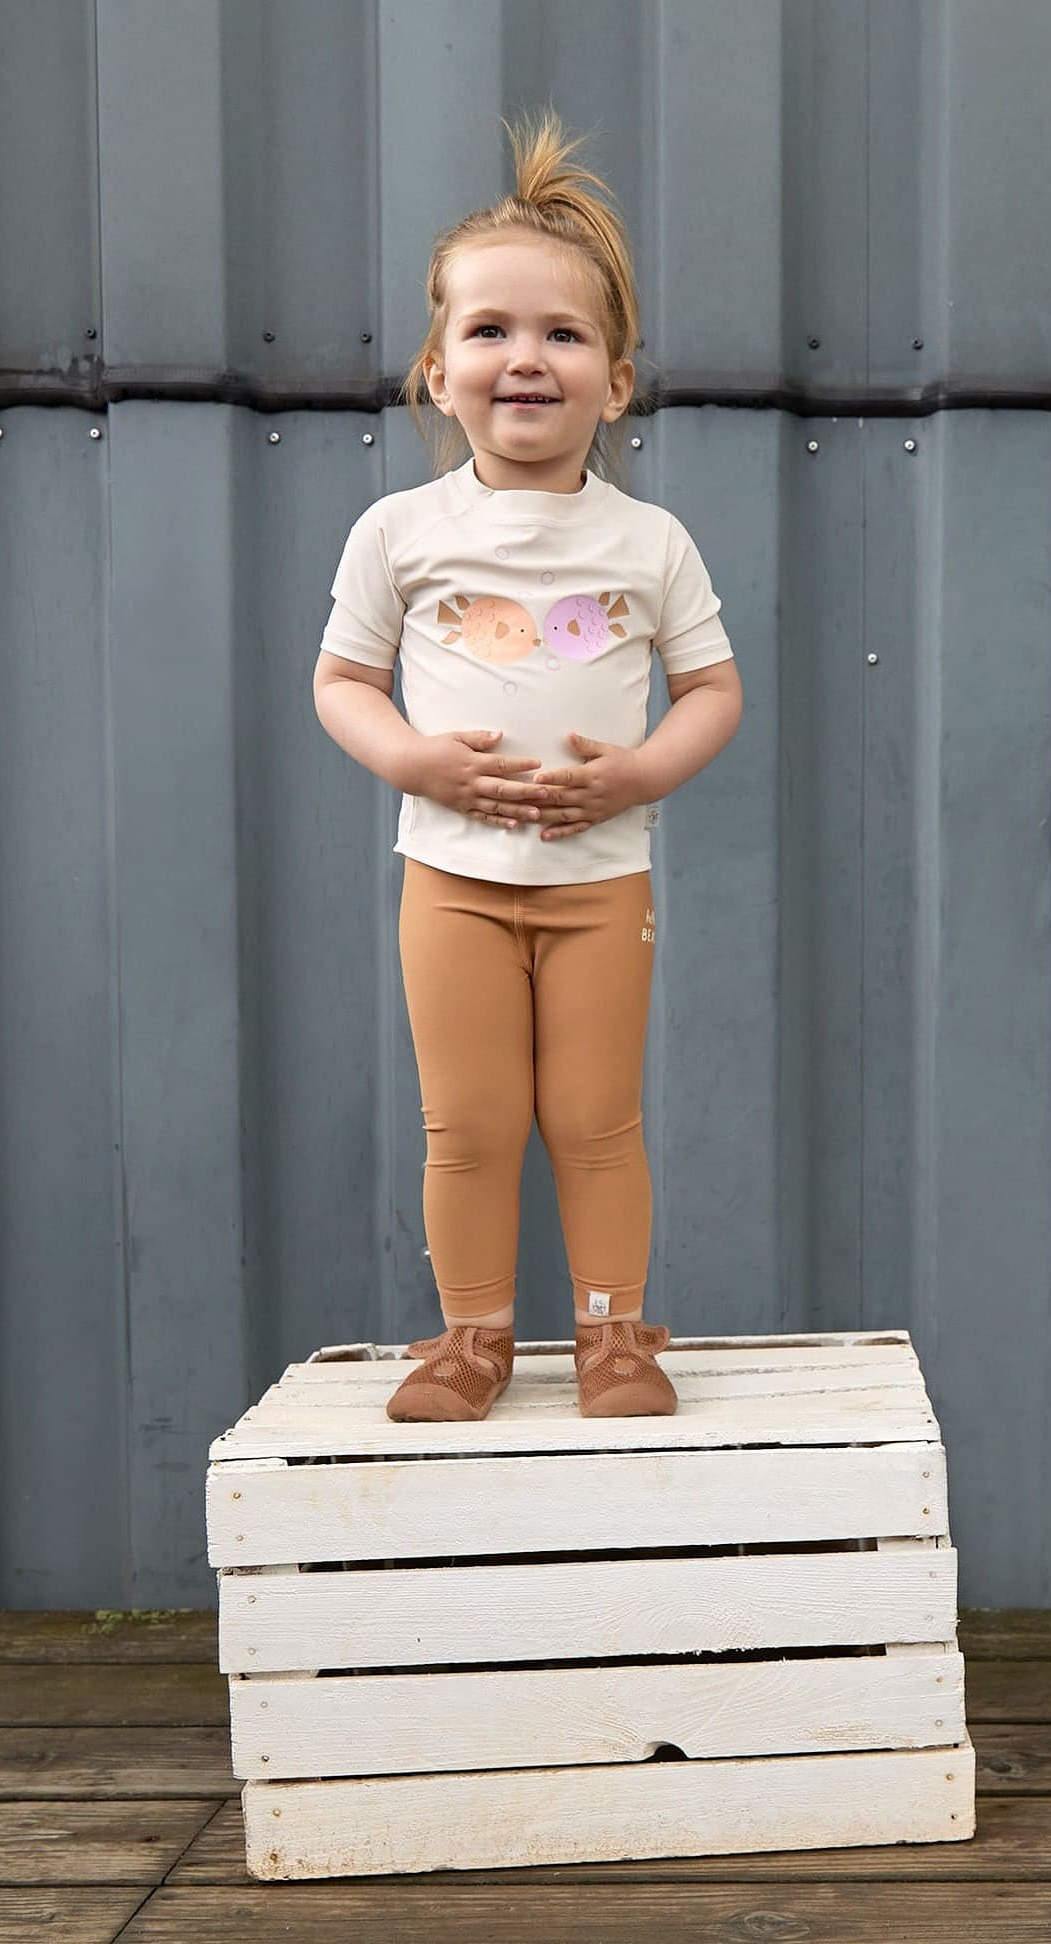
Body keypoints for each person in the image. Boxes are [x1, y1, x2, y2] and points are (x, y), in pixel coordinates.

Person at [310, 112, 741, 1422]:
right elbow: (341, 684)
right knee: (472, 1123)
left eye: (563, 335)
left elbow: (712, 692)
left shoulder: (648, 541)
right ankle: (471, 1341)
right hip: (450, 879)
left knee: (595, 1121)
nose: (525, 357)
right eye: (488, 331)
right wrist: (416, 763)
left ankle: (614, 1337)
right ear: (436, 372)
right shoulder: (399, 532)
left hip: (601, 882)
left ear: (615, 383)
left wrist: (641, 777)